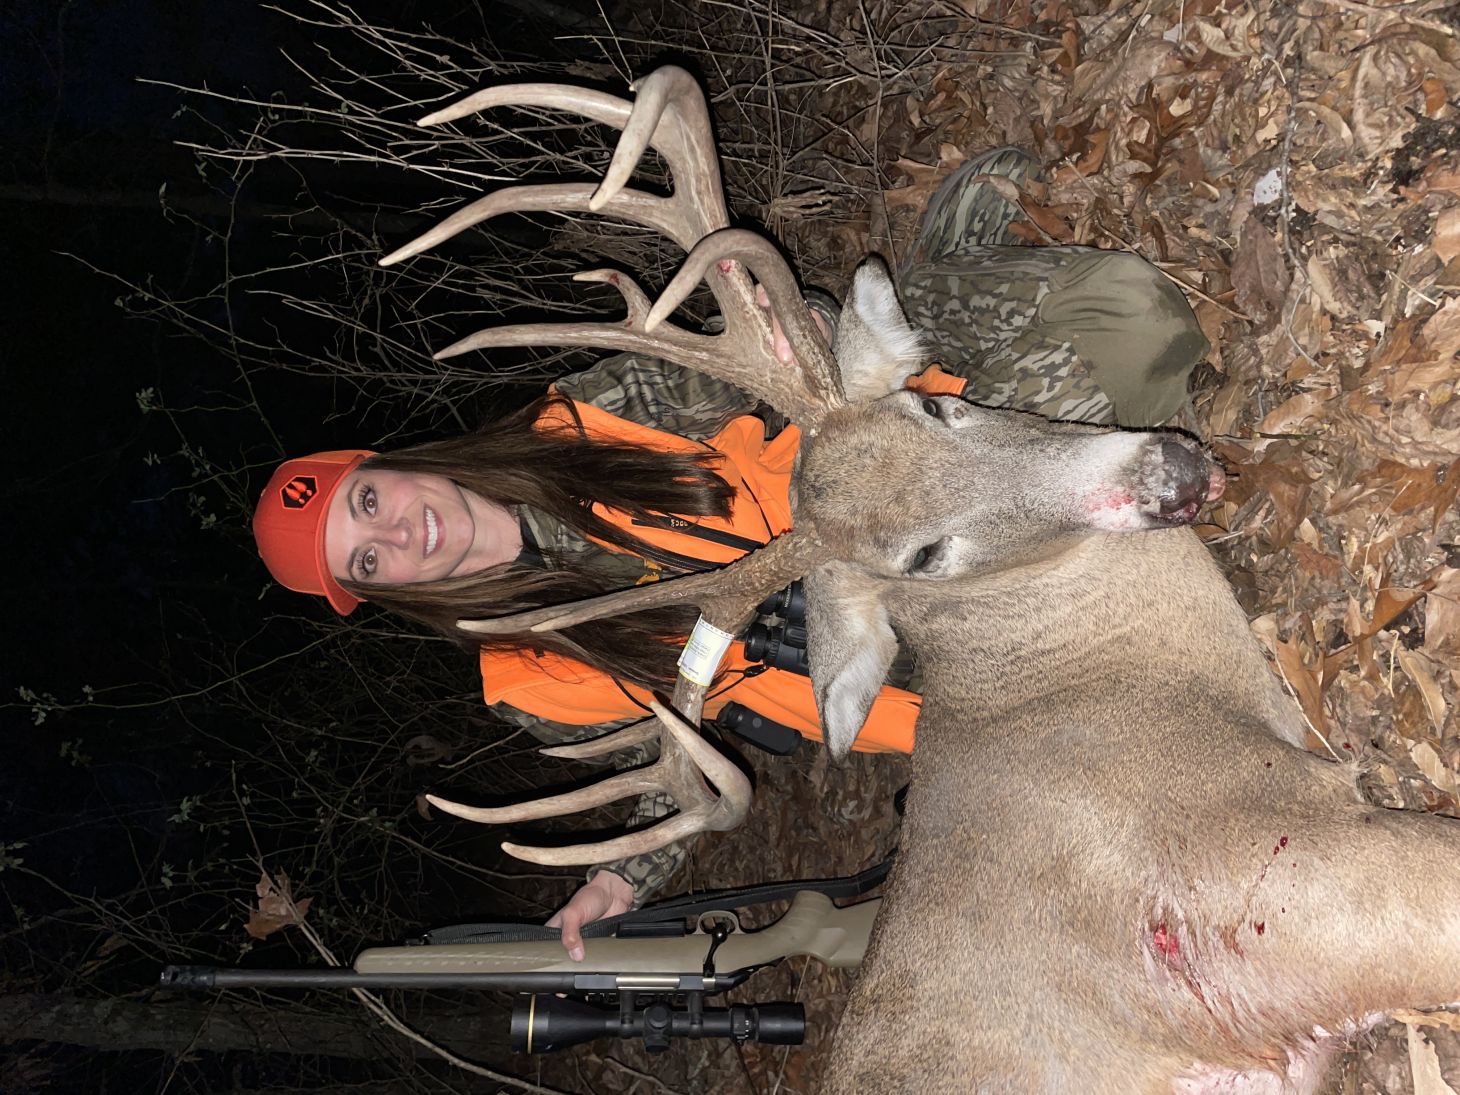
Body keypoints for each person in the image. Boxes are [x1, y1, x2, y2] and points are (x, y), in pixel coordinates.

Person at [251, 150, 1209, 958]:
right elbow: (672, 765)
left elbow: (786, 351)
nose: (397, 533)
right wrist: (621, 880)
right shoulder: (536, 682)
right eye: (366, 560)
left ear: (385, 464)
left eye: (366, 502)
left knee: (1140, 333)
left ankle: (949, 275)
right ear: (381, 593)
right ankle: (964, 296)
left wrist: (798, 343)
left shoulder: (588, 418)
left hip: (913, 472)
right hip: (911, 664)